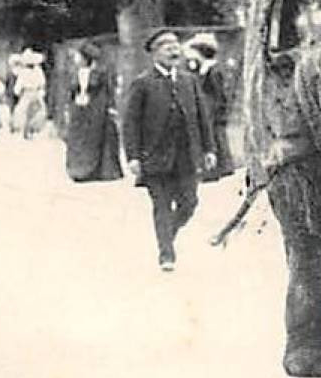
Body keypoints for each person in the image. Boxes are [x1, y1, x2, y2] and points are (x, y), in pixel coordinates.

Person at [123, 29, 216, 272]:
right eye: (167, 47)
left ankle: (167, 234)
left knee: (190, 203)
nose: (174, 50)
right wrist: (133, 156)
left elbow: (202, 117)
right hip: (154, 156)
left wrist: (209, 149)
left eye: (176, 45)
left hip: (186, 156)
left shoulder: (189, 81)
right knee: (162, 206)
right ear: (155, 53)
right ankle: (166, 253)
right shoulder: (142, 83)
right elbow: (130, 122)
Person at [64, 43, 123, 182]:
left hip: (95, 110)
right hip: (79, 110)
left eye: (79, 56)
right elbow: (70, 93)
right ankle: (78, 169)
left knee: (95, 138)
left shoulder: (100, 73)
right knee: (78, 139)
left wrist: (110, 107)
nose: (76, 59)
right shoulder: (74, 73)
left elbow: (108, 91)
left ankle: (94, 170)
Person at [182, 33, 230, 181]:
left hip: (212, 110)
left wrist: (217, 110)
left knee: (214, 138)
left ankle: (217, 169)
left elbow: (217, 93)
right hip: (205, 109)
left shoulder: (213, 70)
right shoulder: (199, 70)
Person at [11, 50, 49, 138]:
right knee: (26, 111)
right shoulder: (28, 72)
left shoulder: (35, 71)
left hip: (32, 93)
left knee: (31, 111)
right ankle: (27, 129)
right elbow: (20, 84)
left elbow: (41, 83)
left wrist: (17, 92)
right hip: (30, 93)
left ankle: (30, 129)